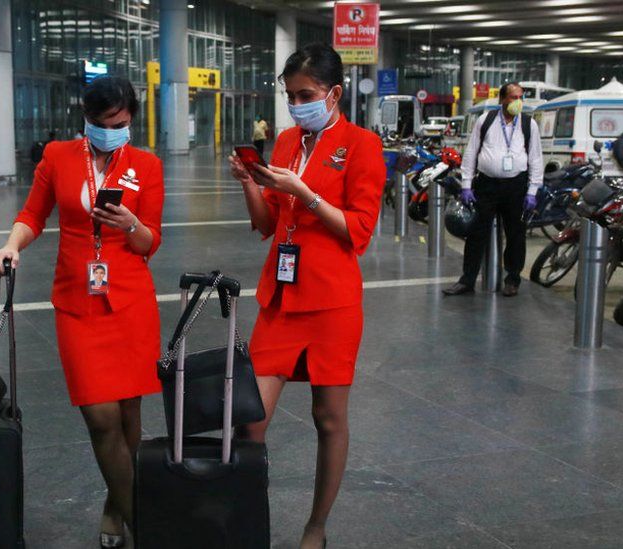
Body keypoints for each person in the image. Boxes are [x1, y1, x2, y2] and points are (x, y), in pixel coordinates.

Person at [0, 76, 164, 549]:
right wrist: (11, 244)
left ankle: (115, 504)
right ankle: (145, 526)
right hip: (76, 301)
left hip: (130, 301)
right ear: (85, 120)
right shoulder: (58, 157)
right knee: (101, 416)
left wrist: (132, 225)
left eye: (121, 123)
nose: (112, 131)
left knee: (129, 416)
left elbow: (151, 242)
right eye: (102, 123)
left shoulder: (146, 165)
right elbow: (31, 215)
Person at [228, 43, 385, 549]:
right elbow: (267, 224)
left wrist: (306, 194)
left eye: (306, 95)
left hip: (333, 303)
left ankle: (315, 528)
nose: (296, 104)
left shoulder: (361, 145)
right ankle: (250, 526)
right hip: (280, 300)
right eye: (290, 95)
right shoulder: (287, 142)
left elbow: (357, 230)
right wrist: (251, 183)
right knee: (250, 421)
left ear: (334, 93)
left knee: (328, 417)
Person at [443, 82, 543, 297]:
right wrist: (467, 185)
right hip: (486, 185)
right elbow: (471, 153)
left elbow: (535, 157)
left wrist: (532, 191)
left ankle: (512, 279)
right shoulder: (486, 120)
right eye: (513, 97)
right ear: (502, 99)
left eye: (520, 97)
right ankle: (467, 280)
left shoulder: (528, 124)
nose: (517, 102)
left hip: (516, 186)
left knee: (516, 234)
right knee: (476, 234)